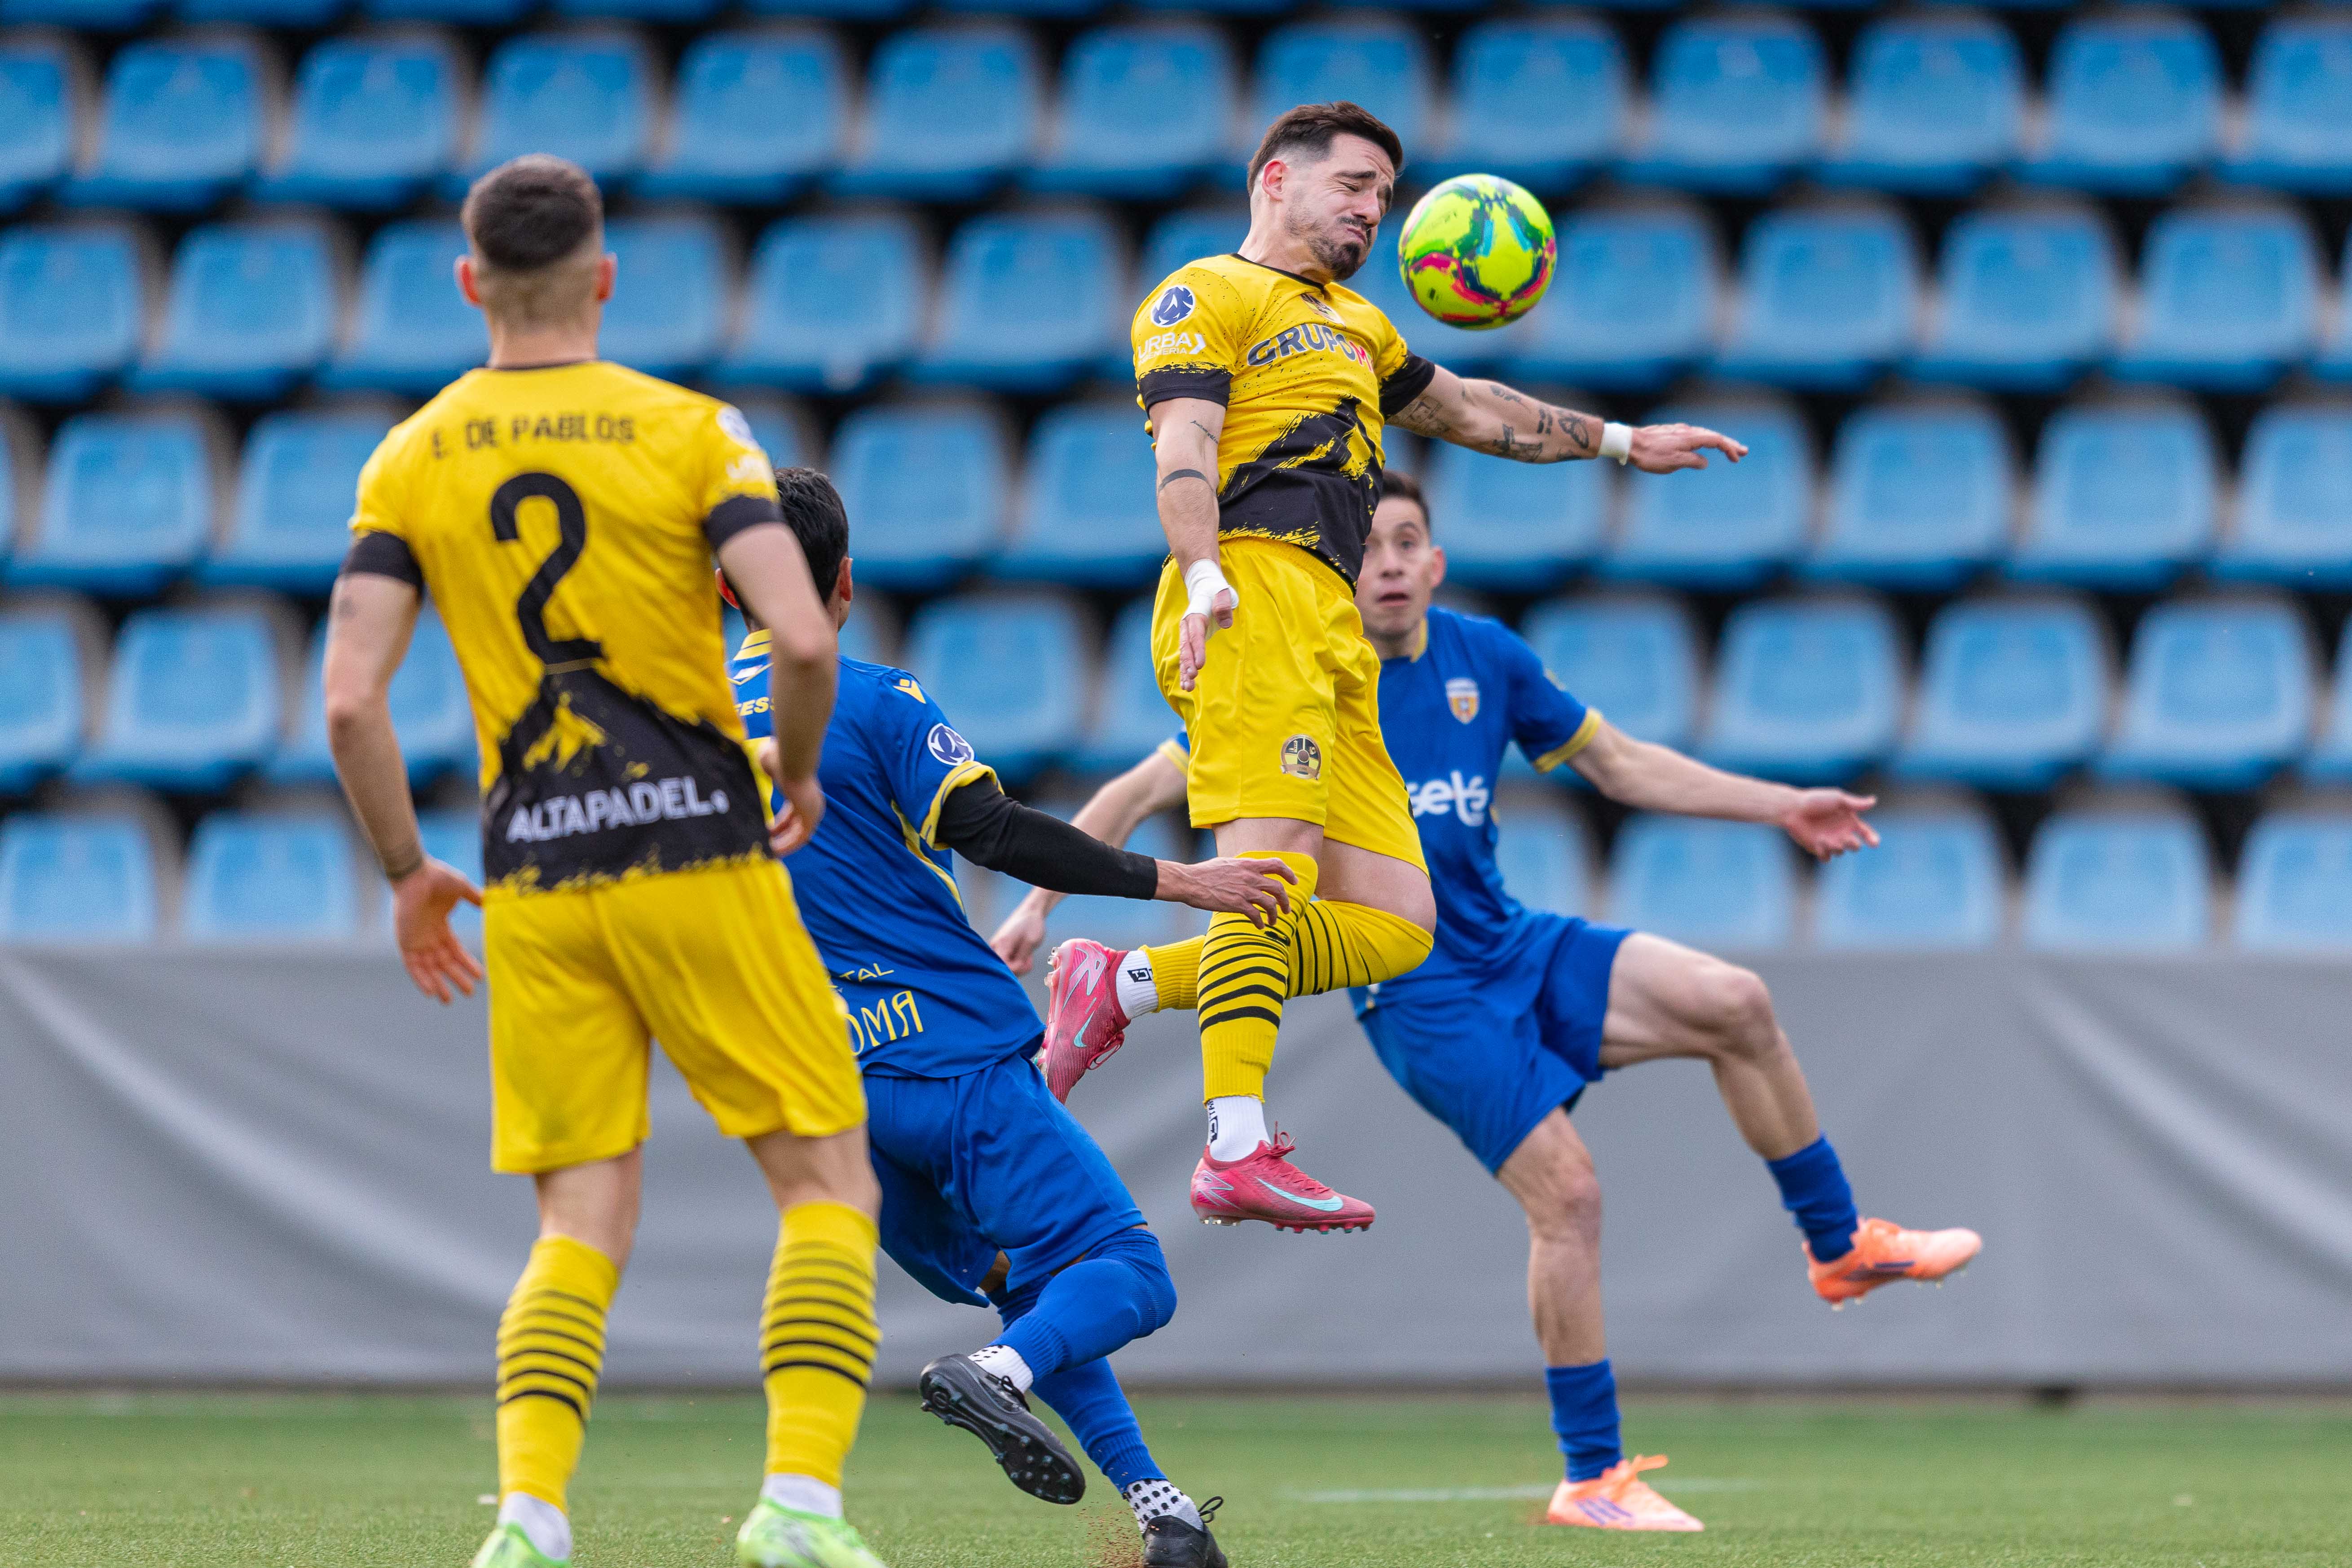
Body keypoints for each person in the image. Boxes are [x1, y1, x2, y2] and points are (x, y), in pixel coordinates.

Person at [998, 471, 1985, 1533]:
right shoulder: (1301, 674)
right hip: (1414, 990)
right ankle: (1594, 1479)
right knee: (1571, 1195)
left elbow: (1621, 764)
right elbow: (1142, 790)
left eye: (1405, 542)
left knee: (1734, 1000)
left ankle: (1838, 1247)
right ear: (1338, 564)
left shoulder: (1487, 661)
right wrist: (1041, 903)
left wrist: (1783, 803)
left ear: (1434, 563)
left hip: (1513, 942)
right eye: (1366, 546)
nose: (1383, 563)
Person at [322, 155, 887, 1568]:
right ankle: (798, 1509)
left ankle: (527, 1519)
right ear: (604, 278)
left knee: (578, 1215)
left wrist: (406, 868)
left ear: (469, 284)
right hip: (698, 847)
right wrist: (802, 768)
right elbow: (802, 638)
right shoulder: (693, 431)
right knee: (824, 1178)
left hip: (535, 875)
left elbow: (348, 699)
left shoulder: (410, 454)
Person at [1118, 98, 1748, 1230]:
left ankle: (1113, 983)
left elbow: (1466, 408)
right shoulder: (1199, 294)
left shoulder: (1357, 325)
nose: (1372, 209)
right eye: (1354, 184)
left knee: (1401, 919)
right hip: (1253, 585)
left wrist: (1618, 441)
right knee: (1269, 873)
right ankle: (1233, 1140)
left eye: (1383, 196)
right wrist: (1204, 570)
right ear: (1274, 179)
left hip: (1328, 625)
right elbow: (1187, 445)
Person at [724, 468, 1292, 1568]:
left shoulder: (684, 730)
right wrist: (1178, 882)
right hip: (954, 1058)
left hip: (828, 1097)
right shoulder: (871, 697)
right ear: (842, 584)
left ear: (722, 585)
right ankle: (993, 1378)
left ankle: (1163, 1515)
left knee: (1033, 1291)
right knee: (1129, 1273)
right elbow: (989, 830)